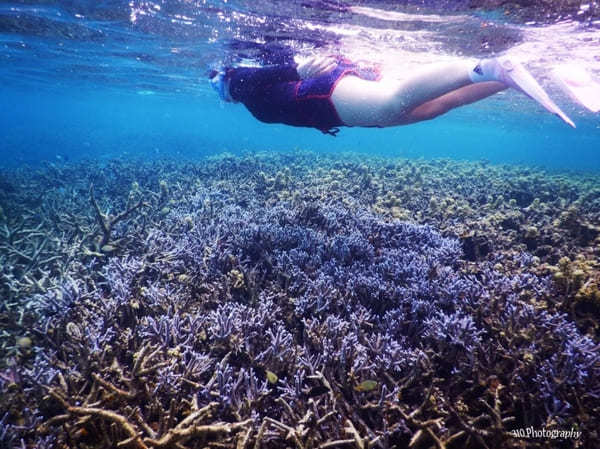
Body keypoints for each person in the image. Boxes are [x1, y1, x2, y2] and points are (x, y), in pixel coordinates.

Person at [210, 55, 584, 135]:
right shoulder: (247, 95)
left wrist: (296, 69)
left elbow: (258, 78)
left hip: (326, 97)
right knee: (435, 107)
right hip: (330, 109)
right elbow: (287, 106)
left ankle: (491, 67)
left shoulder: (239, 82)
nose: (220, 91)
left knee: (393, 103)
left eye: (217, 84)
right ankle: (512, 75)